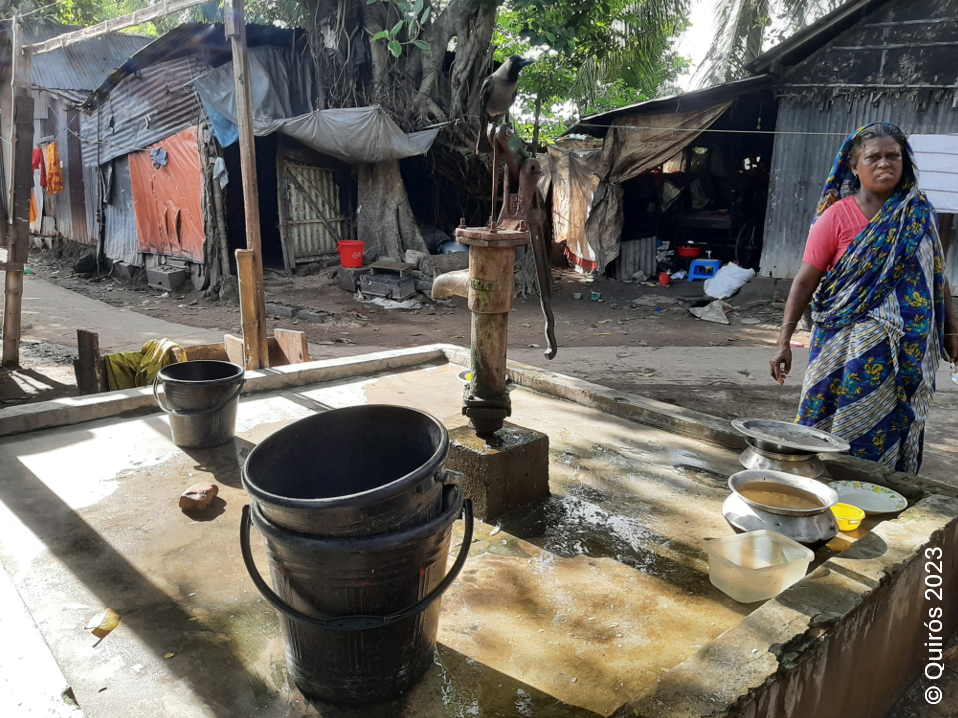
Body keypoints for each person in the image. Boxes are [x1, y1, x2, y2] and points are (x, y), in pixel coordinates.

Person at [771, 122, 958, 474]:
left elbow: (937, 276)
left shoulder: (919, 215)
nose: (885, 163)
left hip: (910, 345)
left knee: (895, 419)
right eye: (873, 157)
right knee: (829, 411)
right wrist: (784, 340)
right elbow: (804, 282)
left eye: (893, 156)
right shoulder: (835, 218)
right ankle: (821, 477)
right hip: (843, 345)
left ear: (906, 162)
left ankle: (887, 483)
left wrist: (952, 331)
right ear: (855, 166)